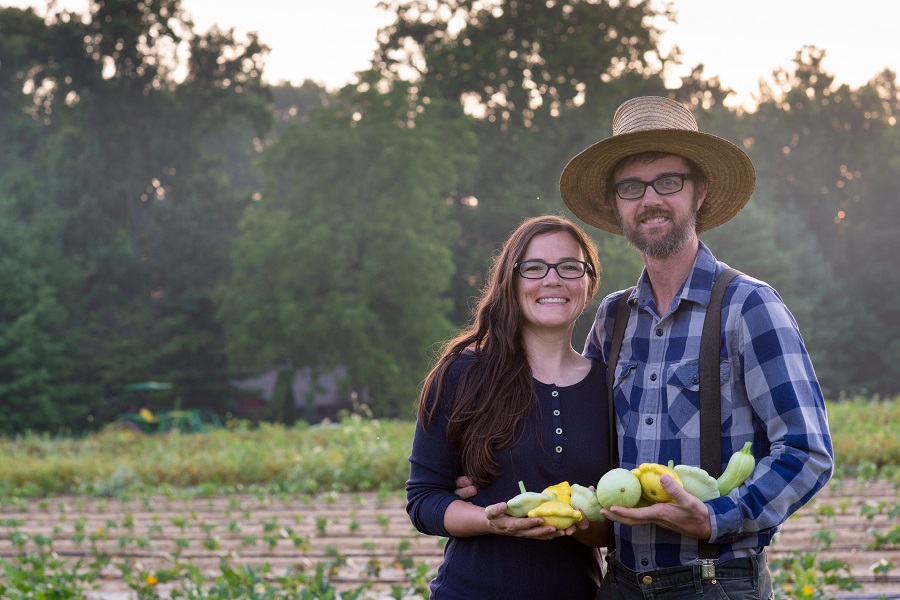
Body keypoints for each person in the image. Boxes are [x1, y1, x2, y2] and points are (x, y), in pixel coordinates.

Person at [554, 95, 835, 598]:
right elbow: (580, 440)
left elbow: (806, 450)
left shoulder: (748, 307)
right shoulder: (612, 318)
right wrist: (488, 473)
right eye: (631, 187)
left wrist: (714, 517)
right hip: (619, 583)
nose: (649, 199)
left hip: (714, 582)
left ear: (699, 192)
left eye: (668, 182)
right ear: (617, 204)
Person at [406, 215, 611, 599]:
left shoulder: (611, 388)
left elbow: (619, 526)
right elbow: (424, 501)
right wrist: (488, 520)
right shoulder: (462, 374)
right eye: (534, 267)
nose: (553, 279)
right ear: (510, 282)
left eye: (570, 267)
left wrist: (585, 523)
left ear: (589, 283)